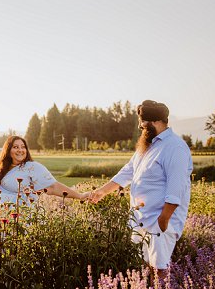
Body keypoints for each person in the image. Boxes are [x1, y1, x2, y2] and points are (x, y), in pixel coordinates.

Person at [82, 100, 193, 275]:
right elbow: (128, 172)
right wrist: (101, 192)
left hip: (159, 221)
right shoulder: (149, 146)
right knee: (144, 269)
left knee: (159, 271)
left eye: (143, 124)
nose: (140, 127)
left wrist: (162, 222)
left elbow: (176, 189)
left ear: (155, 122)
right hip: (141, 219)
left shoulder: (175, 147)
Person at [0, 135, 85, 214]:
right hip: (0, 221)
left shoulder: (32, 167)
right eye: (15, 147)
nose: (20, 150)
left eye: (23, 147)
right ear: (8, 150)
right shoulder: (2, 170)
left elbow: (53, 186)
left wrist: (80, 196)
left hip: (20, 219)